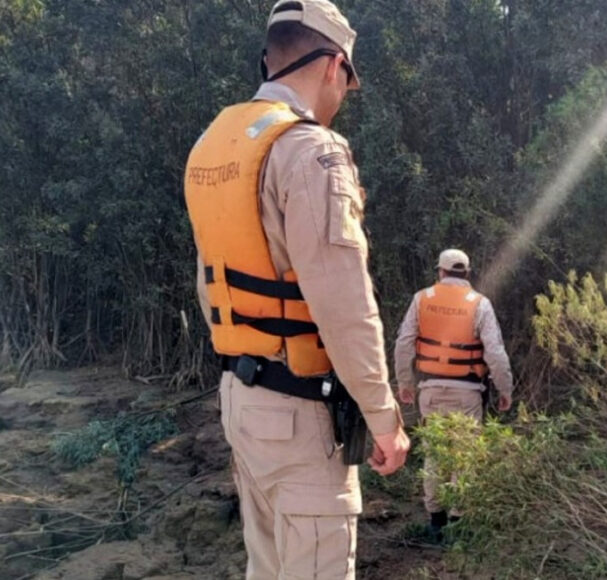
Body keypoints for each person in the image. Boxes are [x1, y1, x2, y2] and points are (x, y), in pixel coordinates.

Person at [183, 1, 409, 577]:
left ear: (269, 58)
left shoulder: (216, 142)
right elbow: (345, 305)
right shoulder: (311, 151)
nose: (343, 97)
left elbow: (210, 280)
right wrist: (384, 419)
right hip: (301, 416)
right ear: (334, 65)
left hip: (242, 402)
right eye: (348, 82)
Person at [393, 249, 514, 537]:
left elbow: (403, 344)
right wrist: (504, 389)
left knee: (435, 452)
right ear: (467, 273)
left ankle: (435, 519)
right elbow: (495, 353)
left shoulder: (422, 299)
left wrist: (405, 383)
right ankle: (458, 522)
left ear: (441, 272)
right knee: (464, 454)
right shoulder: (480, 304)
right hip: (468, 393)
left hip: (431, 391)